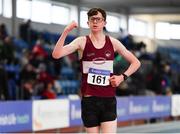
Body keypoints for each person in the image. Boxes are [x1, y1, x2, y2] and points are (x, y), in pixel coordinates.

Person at [52, 7, 141, 133]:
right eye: (92, 19)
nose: (95, 22)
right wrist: (66, 31)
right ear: (88, 23)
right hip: (90, 101)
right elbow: (56, 54)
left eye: (98, 19)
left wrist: (122, 77)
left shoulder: (113, 43)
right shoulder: (81, 42)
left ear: (104, 23)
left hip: (108, 100)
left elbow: (136, 62)